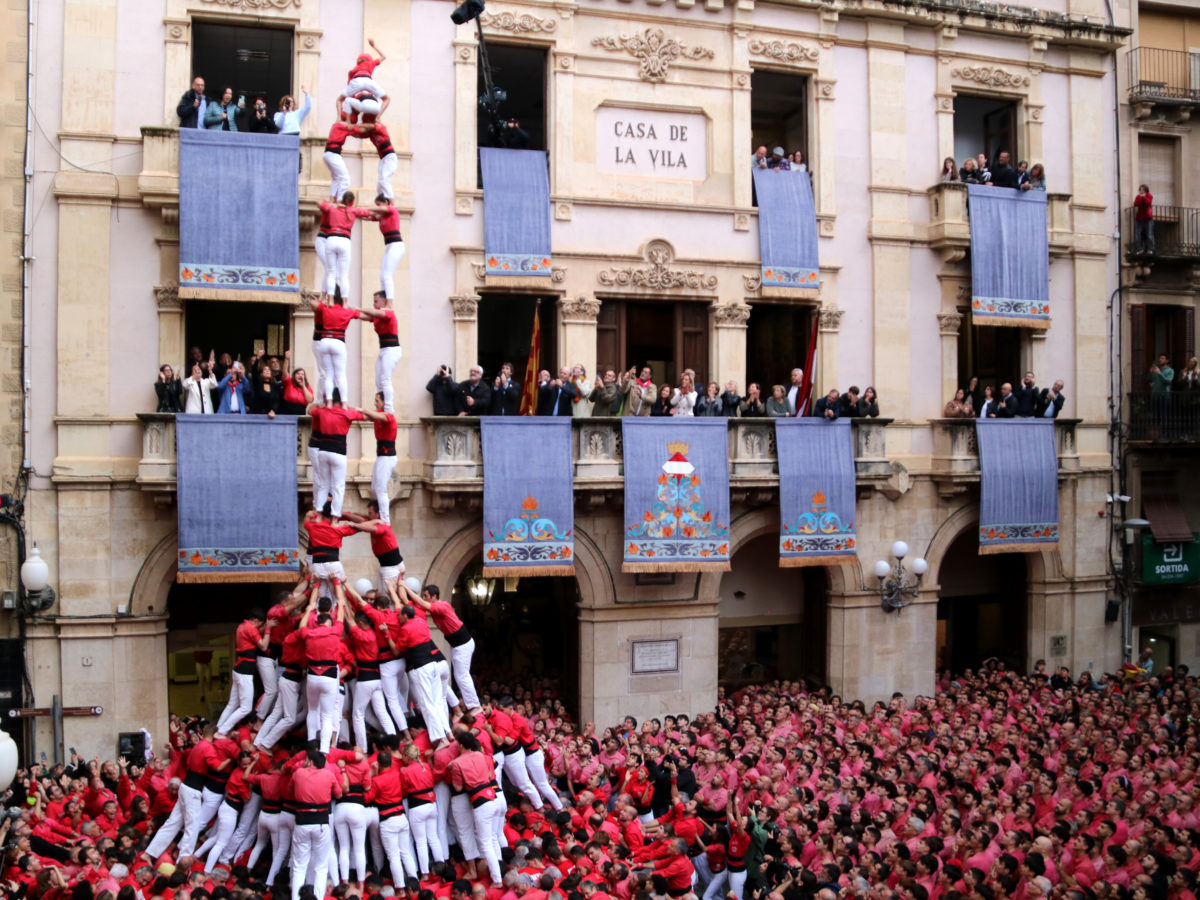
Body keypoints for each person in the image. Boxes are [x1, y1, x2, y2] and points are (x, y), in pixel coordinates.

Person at [411, 583, 479, 713]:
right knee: (459, 676)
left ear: (434, 596)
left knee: (462, 676)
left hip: (463, 644)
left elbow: (423, 604)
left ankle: (474, 705)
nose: (424, 598)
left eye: (426, 596)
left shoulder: (442, 605)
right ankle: (472, 705)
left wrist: (407, 588)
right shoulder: (433, 607)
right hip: (456, 645)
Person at [289, 749, 347, 900]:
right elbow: (339, 793)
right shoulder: (329, 775)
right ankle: (319, 898)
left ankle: (296, 898)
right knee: (321, 867)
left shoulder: (298, 773)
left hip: (302, 822)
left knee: (299, 866)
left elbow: (290, 791)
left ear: (311, 761)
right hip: (321, 822)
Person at [215, 610, 267, 733]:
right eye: (260, 625)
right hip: (245, 672)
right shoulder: (250, 628)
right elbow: (263, 646)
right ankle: (222, 730)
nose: (261, 628)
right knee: (246, 708)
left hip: (239, 669)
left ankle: (218, 727)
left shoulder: (242, 626)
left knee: (232, 704)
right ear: (255, 621)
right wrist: (268, 629)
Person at [312, 397, 364, 517]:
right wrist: (352, 408)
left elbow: (310, 410)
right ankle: (335, 516)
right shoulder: (346, 412)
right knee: (338, 486)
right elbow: (365, 417)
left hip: (323, 451)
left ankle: (318, 514)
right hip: (338, 452)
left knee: (323, 485)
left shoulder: (323, 411)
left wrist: (321, 404)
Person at [318, 193, 372, 300]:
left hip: (331, 239)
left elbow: (319, 202)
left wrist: (334, 203)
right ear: (352, 202)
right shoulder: (353, 211)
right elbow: (370, 213)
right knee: (343, 275)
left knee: (331, 273)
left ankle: (330, 300)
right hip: (345, 241)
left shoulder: (332, 209)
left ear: (342, 200)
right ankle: (345, 302)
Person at [315, 290, 362, 406]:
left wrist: (324, 298)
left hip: (324, 341)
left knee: (328, 374)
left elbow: (312, 303)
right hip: (338, 342)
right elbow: (364, 317)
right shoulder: (346, 311)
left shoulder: (325, 308)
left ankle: (329, 402)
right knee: (340, 374)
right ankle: (344, 403)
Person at [359, 290, 403, 413]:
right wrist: (349, 312)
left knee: (385, 379)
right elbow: (365, 316)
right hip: (384, 350)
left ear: (384, 301)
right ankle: (381, 404)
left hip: (392, 350)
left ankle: (389, 408)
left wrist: (358, 308)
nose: (374, 304)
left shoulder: (388, 312)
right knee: (378, 380)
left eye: (376, 301)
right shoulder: (377, 317)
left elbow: (372, 312)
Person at [360, 394, 399, 523]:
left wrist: (363, 410)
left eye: (377, 401)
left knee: (381, 489)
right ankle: (378, 513)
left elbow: (378, 417)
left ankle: (385, 520)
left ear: (384, 402)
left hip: (387, 457)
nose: (375, 403)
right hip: (382, 457)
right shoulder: (379, 416)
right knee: (374, 488)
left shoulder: (388, 416)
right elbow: (366, 417)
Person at [339, 40, 390, 120]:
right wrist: (374, 46)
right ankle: (378, 117)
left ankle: (342, 119)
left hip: (357, 82)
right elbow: (383, 56)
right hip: (369, 81)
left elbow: (349, 85)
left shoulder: (353, 70)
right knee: (386, 99)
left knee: (340, 100)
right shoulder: (371, 63)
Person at [372, 195, 406, 301]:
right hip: (389, 246)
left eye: (379, 204)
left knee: (387, 275)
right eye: (376, 205)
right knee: (382, 276)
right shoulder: (381, 216)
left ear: (386, 203)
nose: (377, 207)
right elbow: (367, 216)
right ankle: (383, 300)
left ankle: (389, 302)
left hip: (396, 245)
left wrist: (366, 208)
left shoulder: (392, 210)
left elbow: (380, 210)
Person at [360, 121, 398, 203]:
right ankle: (384, 202)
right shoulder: (371, 134)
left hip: (390, 157)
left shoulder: (381, 128)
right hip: (383, 159)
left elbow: (371, 125)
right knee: (379, 186)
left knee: (384, 180)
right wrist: (347, 129)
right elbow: (358, 133)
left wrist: (354, 124)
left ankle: (392, 203)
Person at [323, 115, 356, 202]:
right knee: (345, 178)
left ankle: (332, 198)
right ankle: (340, 201)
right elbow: (359, 131)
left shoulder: (336, 125)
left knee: (336, 178)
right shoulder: (343, 125)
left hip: (328, 153)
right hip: (333, 153)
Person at [1134, 184, 1155, 254]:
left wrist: (1144, 197)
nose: (1141, 191)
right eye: (1140, 189)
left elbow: (1148, 202)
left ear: (1146, 190)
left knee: (1149, 234)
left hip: (1148, 218)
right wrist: (1140, 197)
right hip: (1139, 218)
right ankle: (1139, 249)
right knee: (1138, 235)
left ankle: (1150, 249)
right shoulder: (1138, 197)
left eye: (1142, 189)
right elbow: (1136, 204)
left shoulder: (1149, 195)